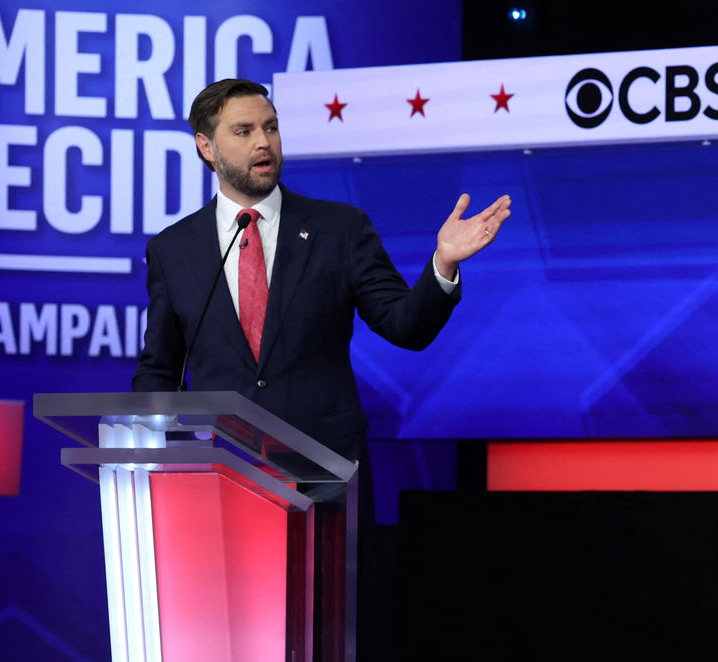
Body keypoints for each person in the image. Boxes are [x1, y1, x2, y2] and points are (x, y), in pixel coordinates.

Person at [133, 78, 512, 467]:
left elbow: (406, 327)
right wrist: (148, 450)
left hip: (324, 466)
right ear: (206, 147)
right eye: (244, 131)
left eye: (271, 127)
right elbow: (160, 368)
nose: (263, 142)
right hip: (222, 468)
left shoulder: (339, 229)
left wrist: (443, 262)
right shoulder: (173, 249)